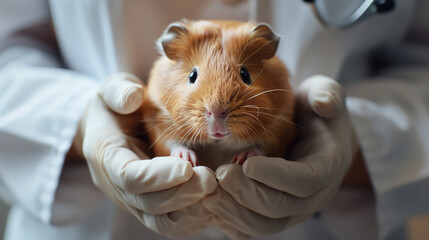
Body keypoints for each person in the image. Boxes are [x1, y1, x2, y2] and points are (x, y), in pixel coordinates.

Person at [0, 0, 428, 239]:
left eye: (245, 76)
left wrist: (359, 143)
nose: (217, 108)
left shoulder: (275, 83)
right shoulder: (161, 90)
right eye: (193, 78)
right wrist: (78, 128)